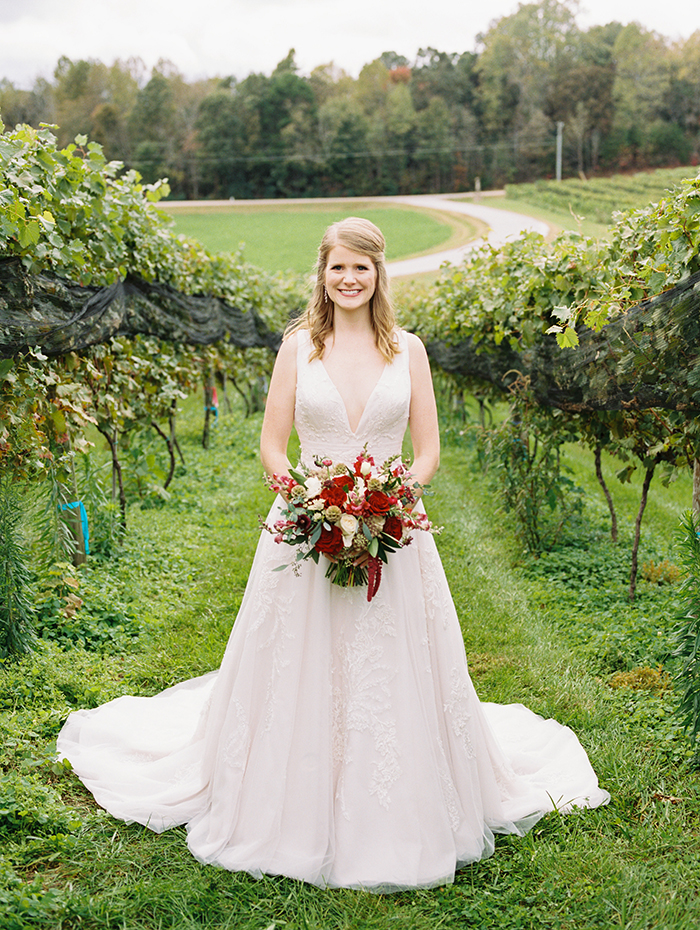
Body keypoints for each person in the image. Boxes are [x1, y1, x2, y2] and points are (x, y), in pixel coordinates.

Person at [57, 217, 609, 892]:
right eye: (338, 267)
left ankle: (403, 794)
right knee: (298, 656)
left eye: (362, 268)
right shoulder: (298, 347)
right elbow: (270, 442)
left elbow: (429, 450)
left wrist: (390, 492)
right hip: (307, 524)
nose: (349, 279)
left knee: (393, 661)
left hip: (393, 523)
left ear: (380, 276)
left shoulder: (410, 350)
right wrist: (304, 498)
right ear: (321, 273)